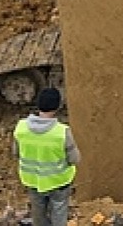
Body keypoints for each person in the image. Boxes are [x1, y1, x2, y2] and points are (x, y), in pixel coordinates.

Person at [12, 88, 78, 226]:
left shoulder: (21, 127)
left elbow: (15, 153)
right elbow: (74, 159)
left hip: (33, 180)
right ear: (57, 106)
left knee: (38, 212)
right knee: (59, 210)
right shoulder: (62, 132)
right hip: (59, 181)